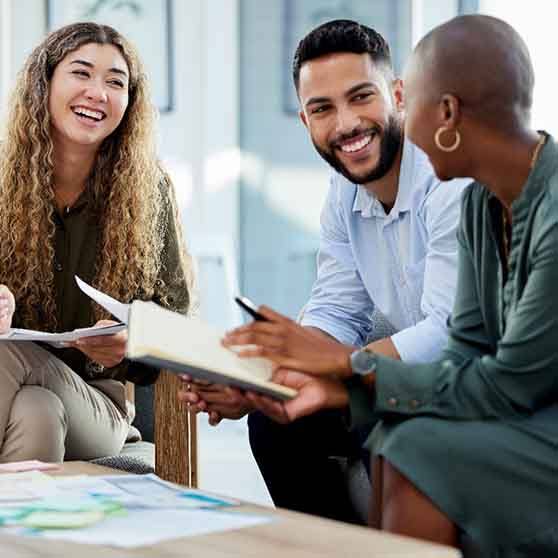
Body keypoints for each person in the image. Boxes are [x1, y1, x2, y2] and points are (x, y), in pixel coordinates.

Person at [223, 14, 558, 556]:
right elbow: (460, 341)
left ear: (436, 110)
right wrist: (286, 376)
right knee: (351, 429)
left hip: (526, 406)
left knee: (410, 442)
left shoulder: (502, 198)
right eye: (322, 108)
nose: (350, 124)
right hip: (467, 384)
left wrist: (345, 375)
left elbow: (496, 374)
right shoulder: (478, 202)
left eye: (404, 102)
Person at [180, 19, 469, 522]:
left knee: (385, 416)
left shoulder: (447, 180)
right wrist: (257, 382)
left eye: (361, 97)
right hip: (389, 374)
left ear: (398, 94)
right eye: (323, 109)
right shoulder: (343, 192)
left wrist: (327, 366)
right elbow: (337, 310)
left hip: (455, 384)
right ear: (305, 120)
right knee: (276, 422)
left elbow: (445, 335)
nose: (346, 125)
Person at [0, 22, 193, 463]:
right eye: (81, 73)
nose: (98, 92)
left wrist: (131, 341)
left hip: (99, 406)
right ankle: (31, 535)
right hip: (25, 398)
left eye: (115, 82)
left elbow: (176, 322)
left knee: (8, 359)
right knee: (38, 412)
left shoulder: (148, 191)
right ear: (44, 83)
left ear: (130, 102)